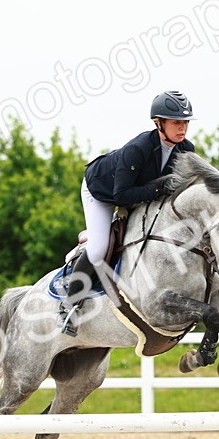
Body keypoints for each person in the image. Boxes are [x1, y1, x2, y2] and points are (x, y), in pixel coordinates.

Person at [59, 90, 196, 336]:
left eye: (185, 122)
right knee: (99, 248)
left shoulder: (186, 149)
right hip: (102, 192)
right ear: (159, 123)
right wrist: (157, 188)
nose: (182, 128)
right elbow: (121, 195)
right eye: (176, 122)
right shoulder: (138, 148)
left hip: (137, 193)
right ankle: (69, 305)